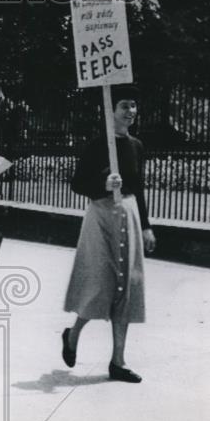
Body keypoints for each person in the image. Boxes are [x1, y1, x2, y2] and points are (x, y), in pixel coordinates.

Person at [61, 85, 157, 384]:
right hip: (101, 216)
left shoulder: (137, 146)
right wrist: (103, 182)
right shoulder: (97, 145)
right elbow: (77, 183)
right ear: (111, 110)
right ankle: (73, 333)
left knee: (126, 286)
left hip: (127, 214)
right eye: (124, 106)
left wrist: (146, 224)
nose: (130, 111)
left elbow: (138, 188)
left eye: (133, 106)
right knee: (100, 284)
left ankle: (118, 361)